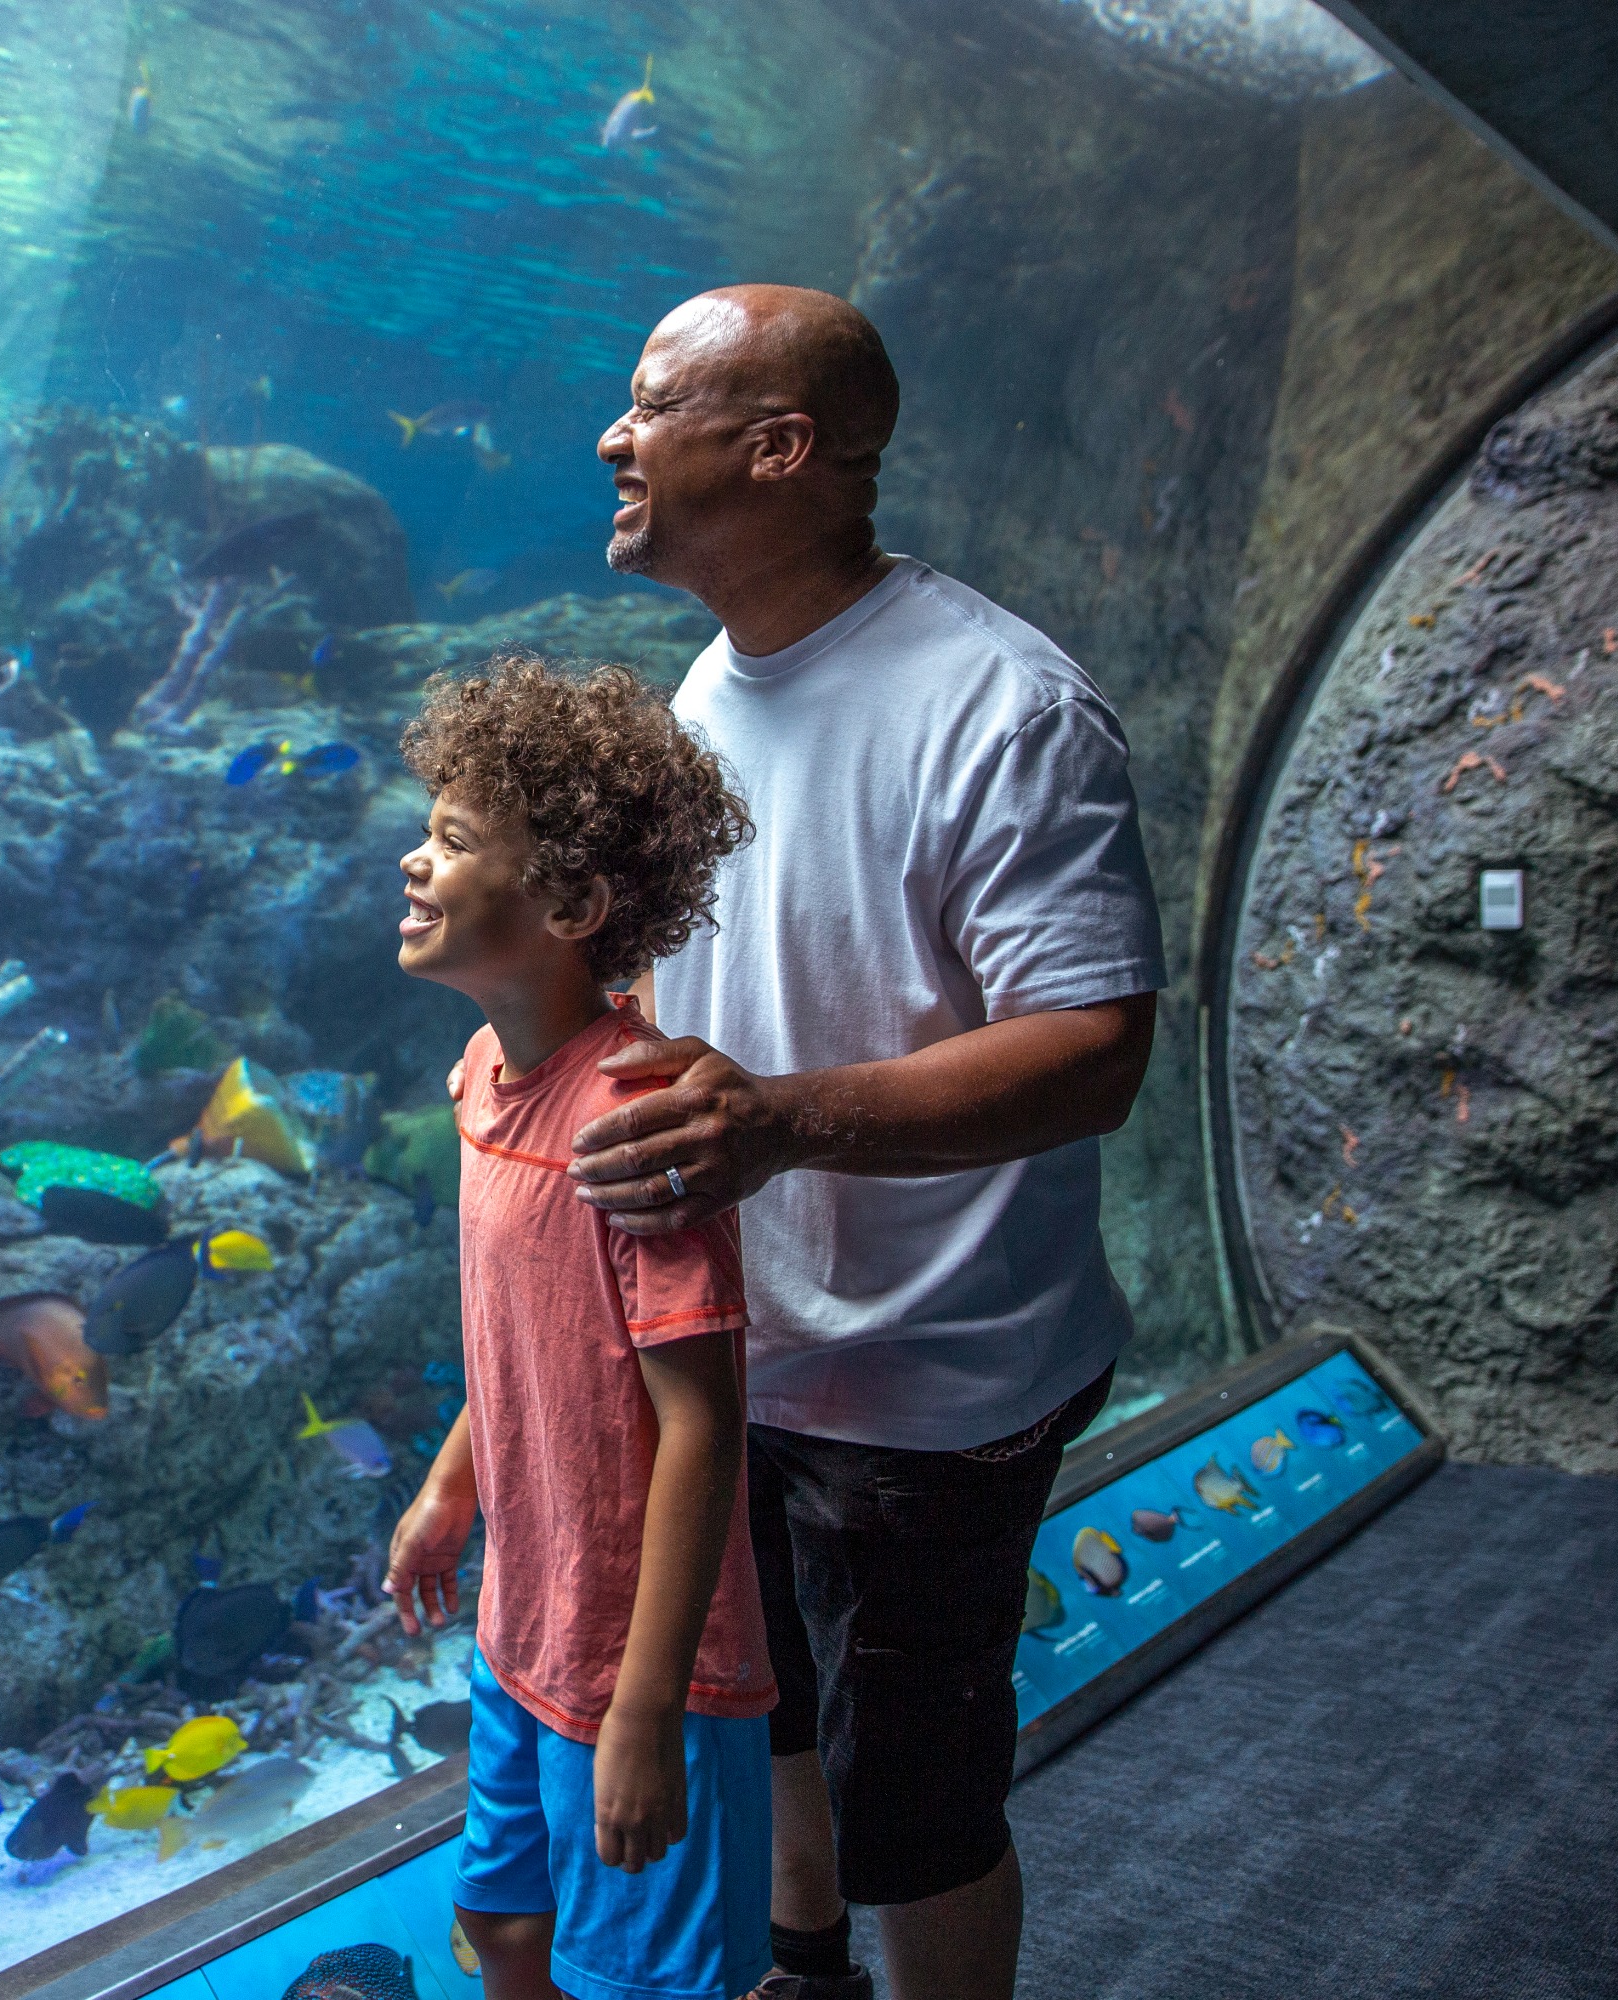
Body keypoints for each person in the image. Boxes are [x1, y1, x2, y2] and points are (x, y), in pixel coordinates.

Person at [567, 286, 1164, 2000]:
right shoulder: (710, 686)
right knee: (777, 1723)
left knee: (923, 1798)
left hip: (936, 1383)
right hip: (745, 1355)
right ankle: (805, 1971)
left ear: (779, 448)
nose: (612, 438)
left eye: (650, 403)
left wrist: (778, 1122)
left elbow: (1093, 1050)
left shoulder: (1002, 707)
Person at [382, 656, 776, 2000]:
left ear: (570, 902)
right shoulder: (485, 1078)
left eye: (452, 838)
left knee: (643, 1983)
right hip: (520, 1630)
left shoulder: (629, 1125)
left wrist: (650, 1712)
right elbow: (522, 1345)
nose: (412, 859)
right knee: (501, 1931)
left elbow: (701, 1420)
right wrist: (451, 1487)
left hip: (633, 1663)